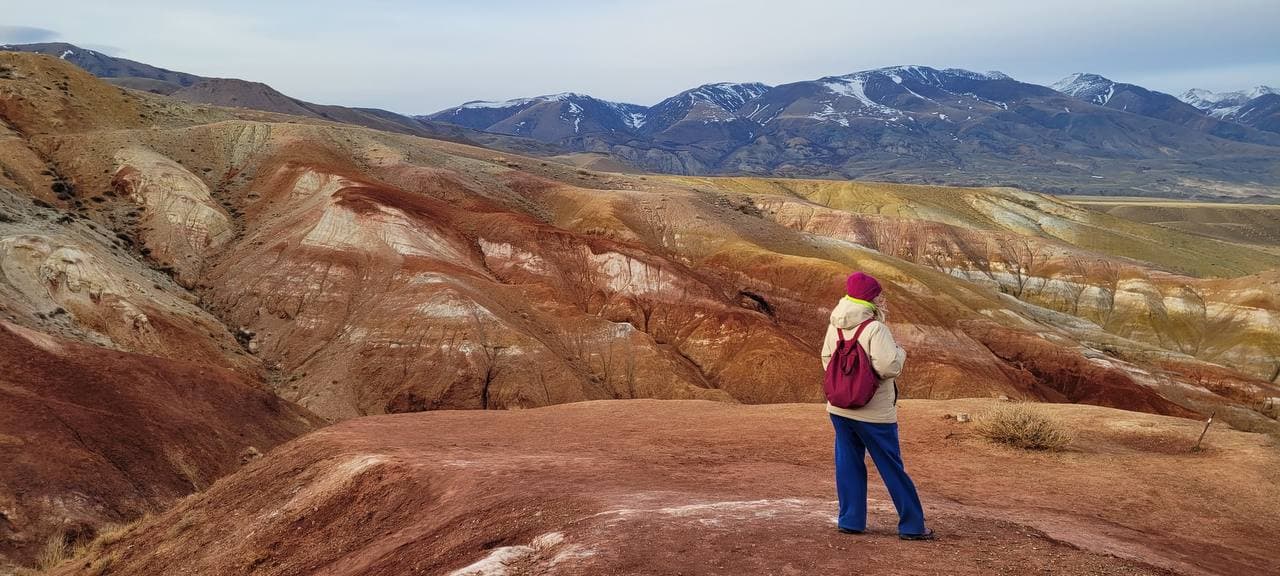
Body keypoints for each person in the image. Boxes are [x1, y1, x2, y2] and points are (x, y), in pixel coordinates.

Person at [821, 272, 935, 540]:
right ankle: (912, 526)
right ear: (870, 298)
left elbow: (828, 361)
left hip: (839, 409)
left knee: (848, 463)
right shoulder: (875, 328)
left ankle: (850, 520)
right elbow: (888, 367)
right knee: (891, 466)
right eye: (878, 294)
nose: (881, 299)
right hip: (874, 413)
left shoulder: (834, 325)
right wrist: (901, 351)